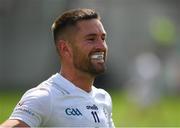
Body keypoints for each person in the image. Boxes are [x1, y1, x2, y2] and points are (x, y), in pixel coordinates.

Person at [1, 8, 114, 127]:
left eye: (103, 38)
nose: (102, 46)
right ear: (65, 48)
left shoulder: (103, 98)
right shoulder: (46, 97)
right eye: (91, 39)